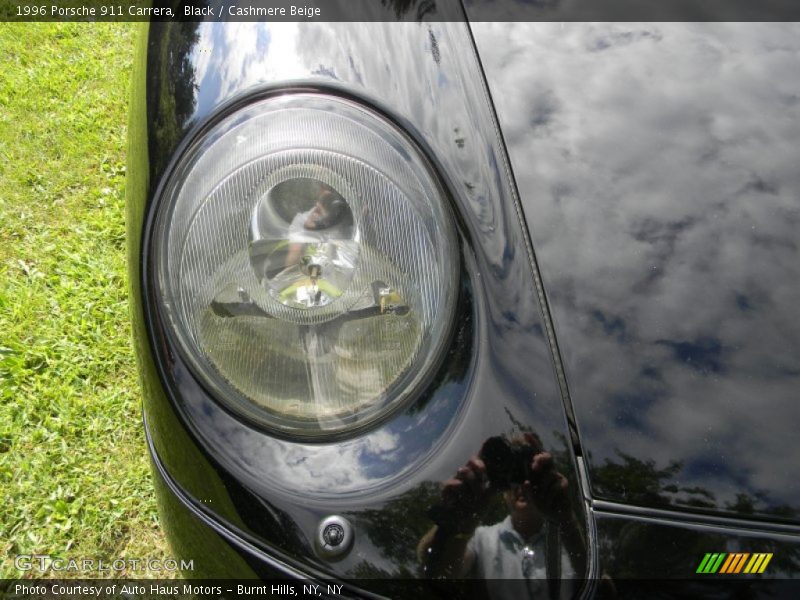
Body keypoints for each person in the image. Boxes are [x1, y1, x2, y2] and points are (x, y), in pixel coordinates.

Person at [419, 434, 587, 599]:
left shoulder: (567, 540)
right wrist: (454, 522)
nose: (521, 483)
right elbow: (438, 573)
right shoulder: (481, 538)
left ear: (544, 475)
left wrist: (566, 519)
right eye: (513, 471)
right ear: (504, 491)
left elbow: (605, 591)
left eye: (528, 468)